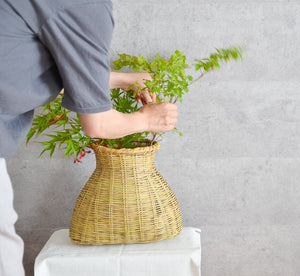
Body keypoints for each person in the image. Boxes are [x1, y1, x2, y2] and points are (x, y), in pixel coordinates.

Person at [0, 0, 178, 275]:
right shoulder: (85, 5)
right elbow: (99, 125)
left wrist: (121, 80)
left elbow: (26, 67)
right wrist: (148, 119)